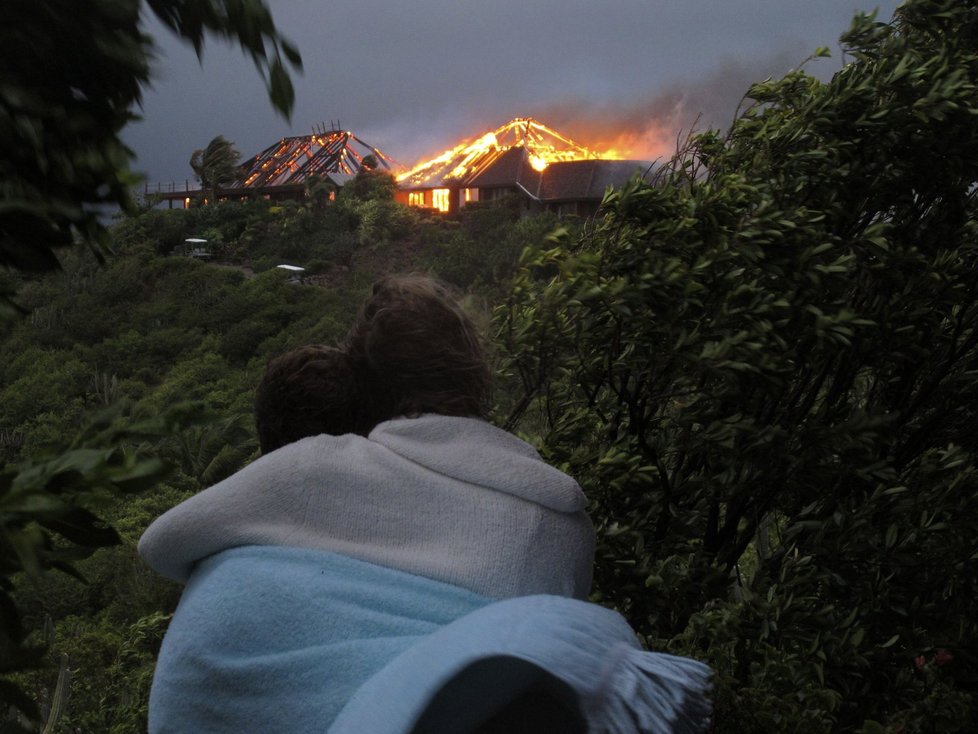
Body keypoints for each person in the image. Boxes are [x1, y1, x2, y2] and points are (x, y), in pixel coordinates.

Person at [138, 275, 711, 733]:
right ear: (476, 375)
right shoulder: (554, 518)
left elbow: (165, 541)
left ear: (364, 386)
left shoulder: (311, 467)